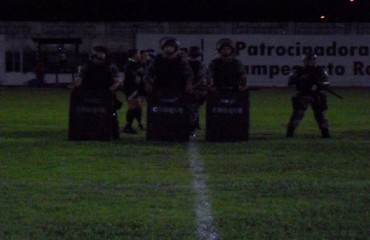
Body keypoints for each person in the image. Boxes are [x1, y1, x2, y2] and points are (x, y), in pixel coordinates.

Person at [70, 45, 123, 139]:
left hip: (106, 94)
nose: (99, 55)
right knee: (88, 114)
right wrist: (74, 86)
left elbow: (117, 80)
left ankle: (114, 134)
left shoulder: (110, 65)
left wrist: (111, 90)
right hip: (89, 94)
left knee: (112, 114)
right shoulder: (87, 65)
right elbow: (80, 78)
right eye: (97, 53)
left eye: (101, 53)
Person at [286, 52, 331, 138]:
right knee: (297, 115)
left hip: (317, 95)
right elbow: (290, 82)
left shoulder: (320, 70)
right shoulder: (298, 70)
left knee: (320, 115)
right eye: (307, 60)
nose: (309, 62)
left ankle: (325, 133)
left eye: (311, 60)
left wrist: (320, 83)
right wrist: (301, 78)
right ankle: (290, 132)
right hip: (303, 95)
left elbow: (327, 82)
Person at [122, 48, 146, 134]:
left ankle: (137, 124)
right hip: (130, 88)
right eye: (138, 54)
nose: (140, 55)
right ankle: (128, 126)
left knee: (138, 106)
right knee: (133, 106)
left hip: (135, 88)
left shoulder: (136, 63)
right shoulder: (130, 64)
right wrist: (139, 72)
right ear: (134, 55)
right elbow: (136, 74)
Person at [187, 46, 207, 134]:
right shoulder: (184, 64)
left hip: (195, 91)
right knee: (193, 110)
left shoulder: (201, 65)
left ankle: (192, 127)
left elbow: (203, 79)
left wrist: (192, 87)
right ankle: (192, 127)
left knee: (193, 110)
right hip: (190, 90)